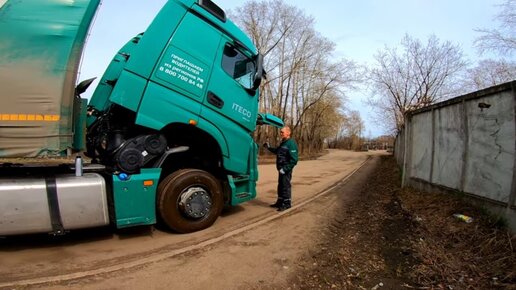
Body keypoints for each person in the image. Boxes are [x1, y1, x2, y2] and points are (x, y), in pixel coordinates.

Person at [263, 126, 298, 211]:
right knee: (281, 185)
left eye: (282, 132)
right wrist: (268, 147)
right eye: (280, 132)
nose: (281, 133)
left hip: (286, 170)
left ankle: (287, 203)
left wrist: (285, 169)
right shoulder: (283, 142)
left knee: (285, 186)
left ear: (288, 133)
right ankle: (280, 201)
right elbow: (277, 151)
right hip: (280, 169)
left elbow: (294, 160)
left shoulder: (291, 143)